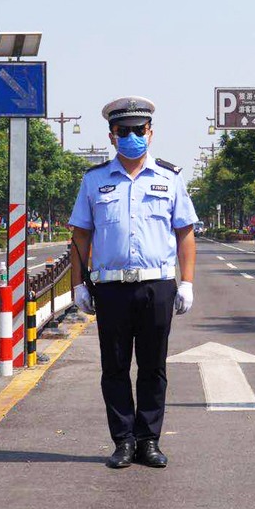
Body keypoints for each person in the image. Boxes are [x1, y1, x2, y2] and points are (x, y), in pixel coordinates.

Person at [68, 96, 197, 469]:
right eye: (123, 131)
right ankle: (123, 441)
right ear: (112, 136)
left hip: (156, 285)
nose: (131, 137)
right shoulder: (94, 181)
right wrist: (79, 286)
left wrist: (186, 282)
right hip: (111, 289)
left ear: (150, 133)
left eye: (138, 130)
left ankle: (148, 440)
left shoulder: (170, 178)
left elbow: (185, 233)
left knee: (154, 367)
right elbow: (80, 236)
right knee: (115, 367)